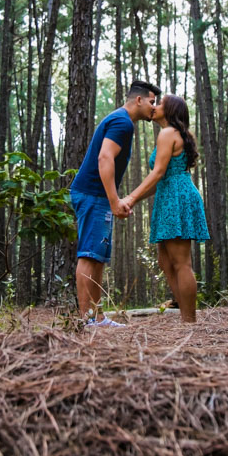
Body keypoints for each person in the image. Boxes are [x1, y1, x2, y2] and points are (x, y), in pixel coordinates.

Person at [70, 80, 160, 327]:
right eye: (152, 102)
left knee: (97, 256)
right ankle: (87, 320)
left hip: (95, 195)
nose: (155, 107)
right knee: (89, 256)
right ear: (139, 100)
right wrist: (113, 201)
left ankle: (97, 318)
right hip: (93, 194)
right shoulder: (122, 122)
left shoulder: (121, 120)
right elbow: (104, 157)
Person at [121, 93, 209, 323]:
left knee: (181, 262)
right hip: (169, 195)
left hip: (177, 197)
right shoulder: (172, 134)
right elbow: (162, 177)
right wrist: (135, 199)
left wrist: (130, 198)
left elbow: (158, 172)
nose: (155, 106)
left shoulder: (168, 133)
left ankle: (189, 322)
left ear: (169, 111)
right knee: (165, 261)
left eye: (160, 104)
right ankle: (185, 315)